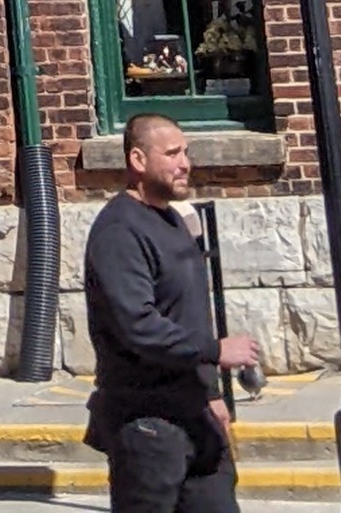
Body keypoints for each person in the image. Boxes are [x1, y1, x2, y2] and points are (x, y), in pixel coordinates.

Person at [82, 111, 265, 513]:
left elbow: (188, 313)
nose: (185, 163)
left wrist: (211, 392)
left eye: (186, 152)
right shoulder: (119, 231)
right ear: (138, 160)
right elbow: (137, 325)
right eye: (172, 154)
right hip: (147, 423)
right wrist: (215, 351)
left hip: (195, 415)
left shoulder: (173, 221)